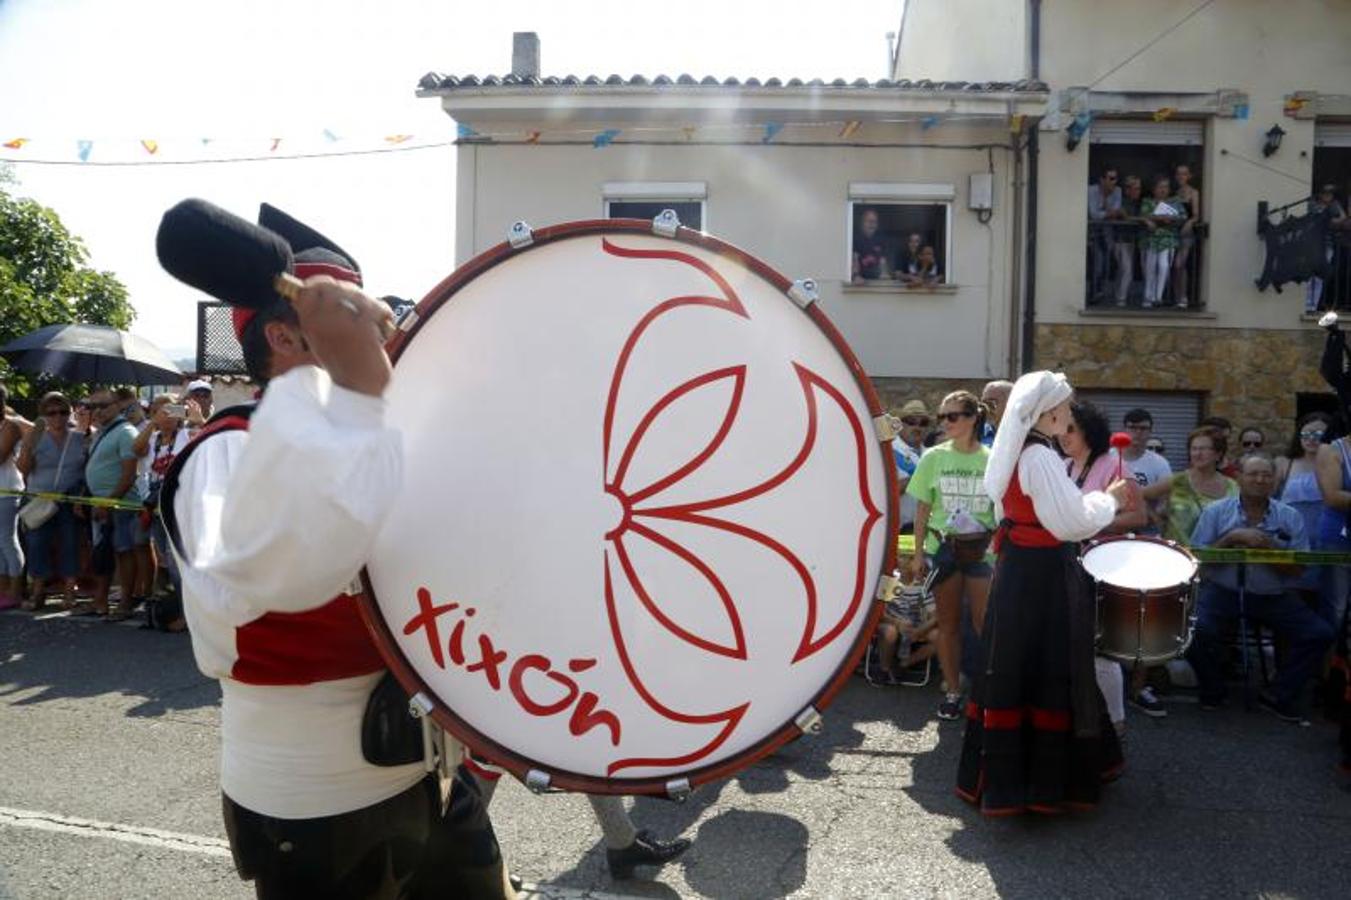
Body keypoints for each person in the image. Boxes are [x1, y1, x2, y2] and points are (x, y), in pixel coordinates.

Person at [161, 205, 513, 898]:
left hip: (427, 773)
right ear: (286, 333)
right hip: (313, 799)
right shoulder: (231, 448)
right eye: (362, 324)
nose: (385, 341)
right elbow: (260, 579)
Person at [957, 371, 1134, 815]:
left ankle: (1011, 779)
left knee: (1015, 664)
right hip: (1043, 575)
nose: (1070, 413)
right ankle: (1042, 785)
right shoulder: (1039, 457)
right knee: (1053, 666)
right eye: (1067, 406)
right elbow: (1070, 523)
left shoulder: (1018, 450)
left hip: (1018, 570)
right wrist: (1109, 499)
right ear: (1049, 411)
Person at [1188, 454, 1333, 722]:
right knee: (1193, 629)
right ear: (1239, 478)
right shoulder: (1216, 511)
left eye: (1266, 475)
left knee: (1320, 634)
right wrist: (1231, 538)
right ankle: (1213, 688)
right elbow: (1198, 558)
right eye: (1253, 474)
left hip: (1273, 595)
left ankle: (1280, 694)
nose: (1260, 480)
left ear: (1274, 481)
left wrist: (1269, 548)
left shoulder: (1290, 516)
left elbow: (1299, 570)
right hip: (1223, 591)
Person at [907, 391, 995, 721]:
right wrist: (917, 555)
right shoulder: (933, 457)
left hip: (981, 552)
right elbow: (922, 508)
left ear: (973, 418)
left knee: (985, 624)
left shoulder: (992, 458)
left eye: (952, 416)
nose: (945, 423)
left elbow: (1001, 509)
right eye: (942, 417)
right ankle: (954, 690)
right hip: (943, 549)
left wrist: (997, 545)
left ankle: (988, 693)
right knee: (948, 625)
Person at [1059, 401, 1147, 728]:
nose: (1063, 435)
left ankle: (1116, 724)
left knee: (1099, 651)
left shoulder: (1115, 465)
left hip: (1102, 568)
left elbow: (1139, 516)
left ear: (1089, 431)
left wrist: (1092, 523)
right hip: (1069, 566)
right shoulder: (1063, 466)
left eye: (1071, 429)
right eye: (1061, 428)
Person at [17, 392, 86, 611]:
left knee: (70, 544)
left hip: (69, 499)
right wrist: (28, 446)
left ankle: (69, 591)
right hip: (39, 499)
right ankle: (38, 592)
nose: (58, 417)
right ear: (43, 415)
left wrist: (81, 496)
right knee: (37, 545)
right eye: (52, 412)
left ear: (70, 413)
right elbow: (23, 471)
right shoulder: (36, 437)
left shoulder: (81, 437)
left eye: (63, 412)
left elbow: (88, 469)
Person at [82, 386, 145, 620]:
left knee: (123, 551)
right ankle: (101, 601)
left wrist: (109, 502)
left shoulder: (125, 432)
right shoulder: (101, 432)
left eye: (103, 405)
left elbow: (130, 474)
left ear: (117, 406)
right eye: (92, 406)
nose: (97, 411)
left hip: (120, 505)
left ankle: (126, 603)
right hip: (100, 504)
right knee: (103, 552)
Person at [1145, 426, 1237, 546]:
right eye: (1194, 449)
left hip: (1218, 559)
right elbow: (1139, 495)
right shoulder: (1177, 481)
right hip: (1179, 556)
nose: (1197, 454)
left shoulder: (1233, 487)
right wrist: (1158, 521)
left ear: (1218, 454)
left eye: (1203, 449)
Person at [1120, 408, 1172, 531]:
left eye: (1143, 428)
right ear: (1124, 430)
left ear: (1150, 431)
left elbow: (1166, 500)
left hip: (1147, 531)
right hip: (1114, 529)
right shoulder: (1109, 458)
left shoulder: (1160, 463)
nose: (1137, 432)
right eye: (1132, 427)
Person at [1140, 175, 1185, 308]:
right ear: (1154, 189)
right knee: (1150, 268)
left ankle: (1158, 297)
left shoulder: (1175, 202)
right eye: (1160, 187)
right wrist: (1159, 218)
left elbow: (1182, 216)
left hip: (1168, 239)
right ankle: (1148, 297)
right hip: (1151, 239)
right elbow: (1143, 215)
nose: (1163, 190)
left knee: (1164, 266)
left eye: (1166, 187)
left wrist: (1171, 219)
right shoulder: (1147, 201)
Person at [0, 385, 25, 610]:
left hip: (7, 490)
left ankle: (15, 591)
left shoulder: (11, 425)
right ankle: (3, 588)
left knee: (8, 540)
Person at [1306, 184, 1348, 314]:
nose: (1328, 196)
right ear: (1320, 194)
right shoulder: (1313, 204)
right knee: (1310, 275)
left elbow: (1342, 218)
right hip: (1313, 243)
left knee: (1320, 276)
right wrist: (1330, 220)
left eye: (1330, 194)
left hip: (1327, 245)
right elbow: (1316, 219)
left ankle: (1314, 306)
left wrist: (1331, 219)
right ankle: (1307, 304)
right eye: (1325, 193)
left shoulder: (1335, 205)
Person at [892, 399, 930, 533]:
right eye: (911, 422)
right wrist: (919, 476)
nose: (917, 427)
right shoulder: (888, 452)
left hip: (927, 530)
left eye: (923, 423)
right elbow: (886, 494)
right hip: (899, 530)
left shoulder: (930, 454)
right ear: (901, 424)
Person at [1087, 167, 1123, 301]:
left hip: (1107, 233)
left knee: (1106, 265)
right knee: (1097, 263)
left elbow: (1116, 212)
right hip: (1092, 233)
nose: (1114, 182)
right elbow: (1093, 214)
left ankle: (1101, 292)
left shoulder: (1117, 191)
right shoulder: (1091, 190)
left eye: (1116, 179)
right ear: (1102, 180)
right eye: (1111, 178)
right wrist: (1109, 213)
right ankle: (1094, 293)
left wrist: (1107, 209)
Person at [1170, 164, 1202, 308]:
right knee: (1174, 266)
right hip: (1174, 232)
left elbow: (1196, 215)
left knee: (1180, 265)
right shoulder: (1175, 193)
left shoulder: (1193, 192)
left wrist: (1189, 224)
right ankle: (1177, 297)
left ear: (1189, 176)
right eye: (1179, 173)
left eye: (1184, 174)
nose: (1181, 176)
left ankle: (1184, 297)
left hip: (1187, 234)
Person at [1112, 175, 1144, 306]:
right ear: (1128, 190)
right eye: (1135, 188)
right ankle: (1121, 299)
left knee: (1123, 270)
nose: (1138, 191)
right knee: (1127, 271)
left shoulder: (1137, 203)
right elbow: (1126, 216)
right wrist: (1144, 219)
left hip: (1130, 241)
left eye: (1139, 189)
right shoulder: (1121, 201)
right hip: (1119, 241)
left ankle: (1119, 296)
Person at [851, 207, 890, 283]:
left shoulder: (881, 239)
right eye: (869, 221)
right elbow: (854, 259)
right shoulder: (856, 239)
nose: (872, 224)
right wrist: (855, 275)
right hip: (860, 281)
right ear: (862, 223)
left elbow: (883, 260)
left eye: (874, 222)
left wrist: (884, 274)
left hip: (876, 281)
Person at [979, 380, 1013, 446]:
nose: (987, 408)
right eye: (983, 403)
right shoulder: (975, 434)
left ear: (1010, 403)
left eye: (991, 403)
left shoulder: (1023, 435)